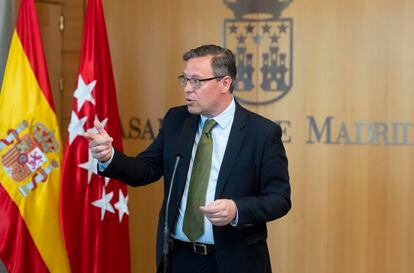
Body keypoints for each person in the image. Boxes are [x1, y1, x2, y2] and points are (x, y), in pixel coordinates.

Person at [86, 44, 291, 273]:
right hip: (179, 258)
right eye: (185, 79)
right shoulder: (177, 120)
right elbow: (146, 168)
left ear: (225, 83)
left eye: (196, 81)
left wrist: (237, 209)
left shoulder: (261, 133)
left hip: (234, 260)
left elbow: (279, 198)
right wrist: (109, 156)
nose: (187, 89)